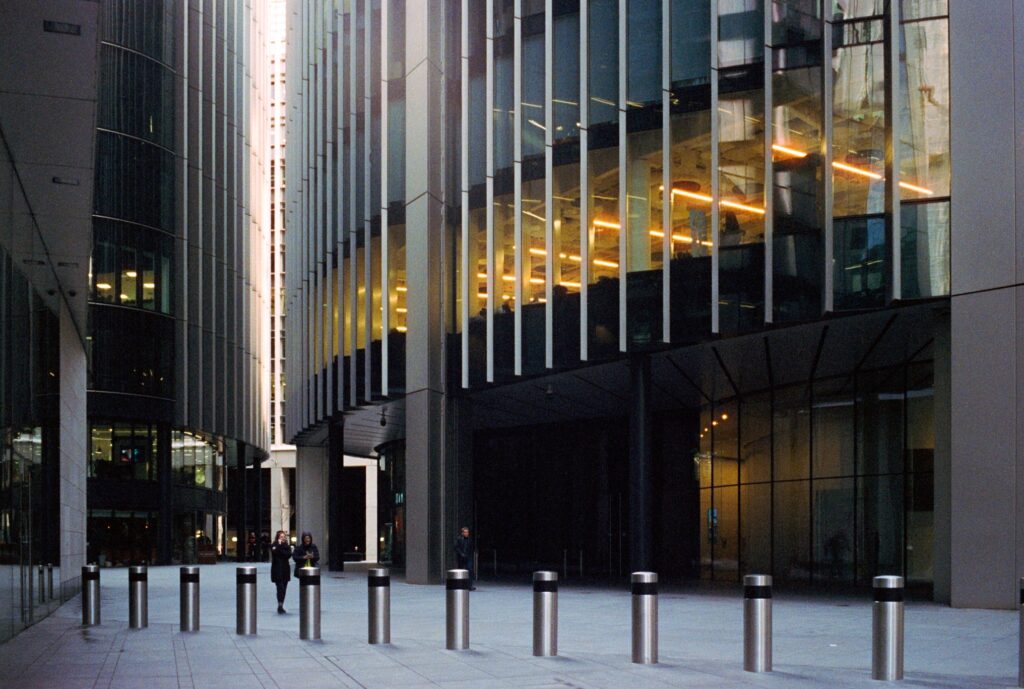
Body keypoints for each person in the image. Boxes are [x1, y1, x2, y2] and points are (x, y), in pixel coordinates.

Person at [270, 530, 293, 614]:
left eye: (284, 537)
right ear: (278, 537)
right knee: (280, 588)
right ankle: (280, 604)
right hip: (277, 570)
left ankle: (281, 604)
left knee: (284, 588)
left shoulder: (287, 546)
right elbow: (274, 552)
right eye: (281, 537)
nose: (283, 538)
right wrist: (279, 545)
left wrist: (280, 550)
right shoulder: (274, 545)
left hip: (285, 570)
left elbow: (288, 555)